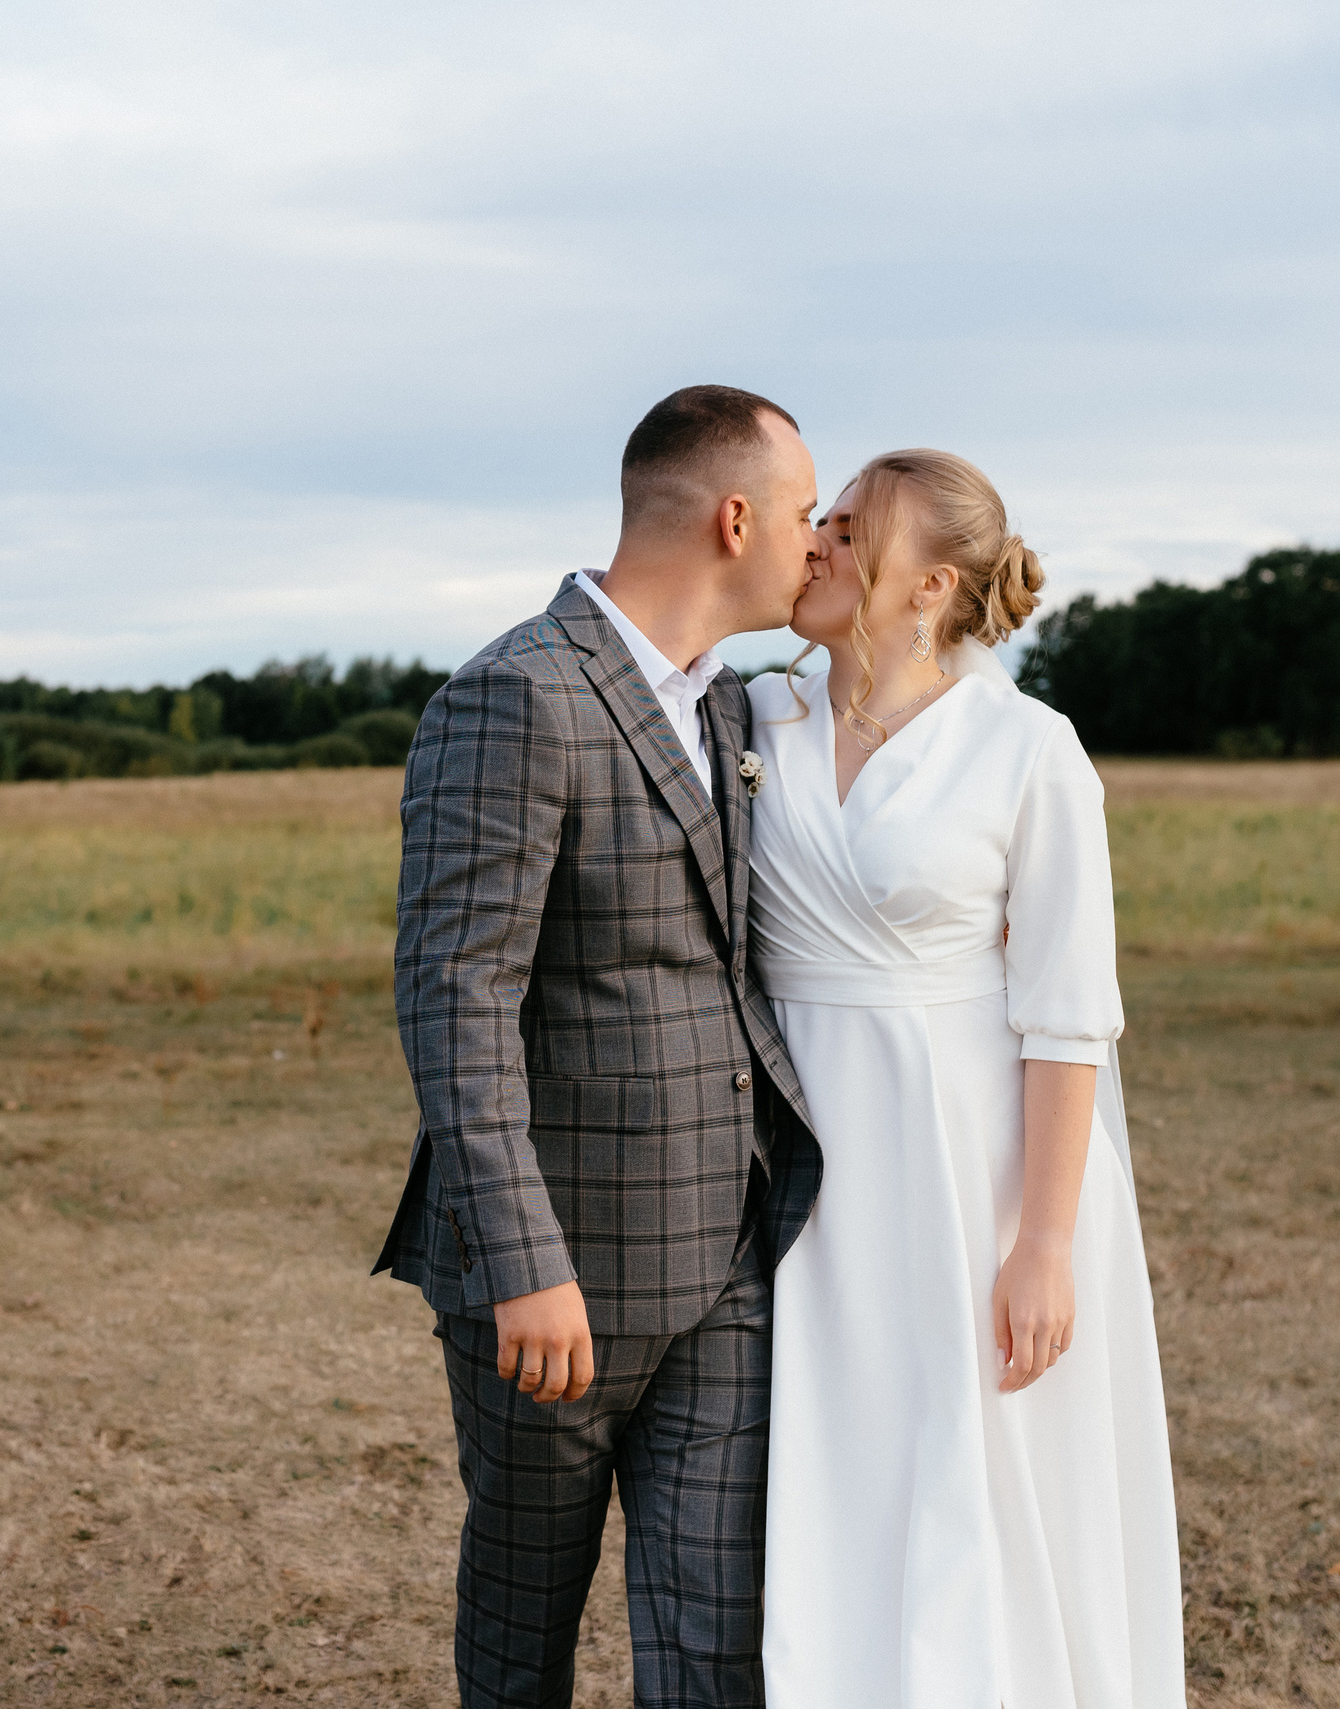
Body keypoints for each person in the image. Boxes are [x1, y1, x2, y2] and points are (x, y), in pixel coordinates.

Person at [374, 384, 826, 1707]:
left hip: (727, 1261)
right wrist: (524, 1265)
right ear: (735, 517)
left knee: (717, 1643)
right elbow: (456, 996)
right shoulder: (516, 699)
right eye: (805, 510)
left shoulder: (734, 712)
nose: (818, 536)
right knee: (525, 1639)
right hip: (551, 1291)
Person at [747, 449, 1185, 1706]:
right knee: (839, 1465)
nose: (815, 539)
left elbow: (1065, 1014)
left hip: (975, 1167)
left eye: (846, 527)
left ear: (928, 584)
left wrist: (1042, 1241)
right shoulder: (757, 718)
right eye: (815, 519)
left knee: (979, 1478)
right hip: (805, 1169)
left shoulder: (1027, 750)